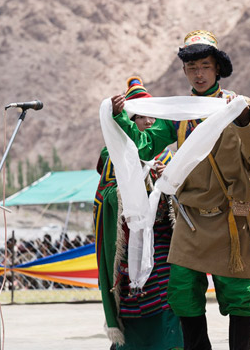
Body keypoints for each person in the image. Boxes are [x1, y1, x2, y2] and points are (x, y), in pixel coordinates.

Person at [109, 30, 250, 350]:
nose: (198, 74)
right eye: (192, 68)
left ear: (217, 69)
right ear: (185, 71)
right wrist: (121, 120)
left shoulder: (238, 105)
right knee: (182, 293)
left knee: (239, 296)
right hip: (190, 221)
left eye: (204, 66)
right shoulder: (180, 113)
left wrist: (244, 123)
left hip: (230, 217)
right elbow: (145, 146)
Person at [94, 77, 182, 349]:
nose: (146, 122)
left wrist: (167, 183)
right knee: (135, 309)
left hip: (164, 248)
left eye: (150, 117)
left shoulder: (167, 158)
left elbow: (182, 200)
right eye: (138, 117)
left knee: (171, 306)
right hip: (131, 250)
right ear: (127, 122)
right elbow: (103, 199)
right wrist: (134, 185)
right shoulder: (113, 157)